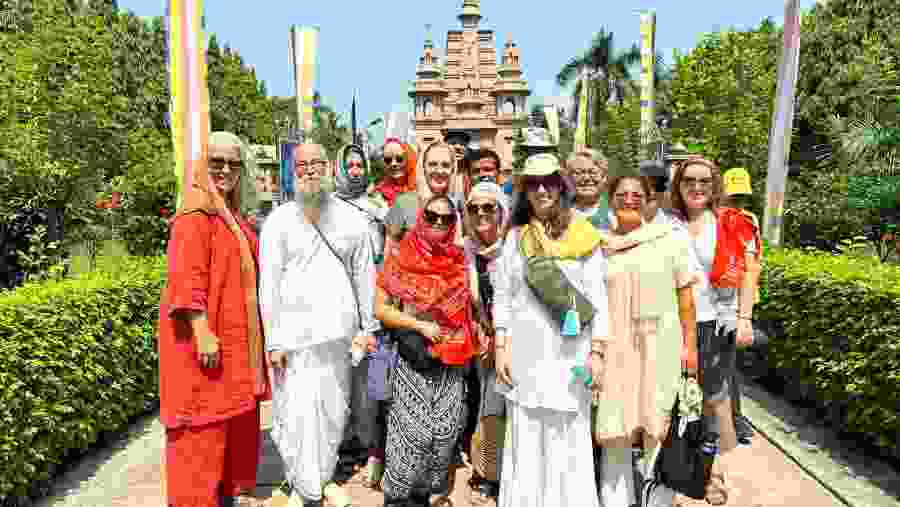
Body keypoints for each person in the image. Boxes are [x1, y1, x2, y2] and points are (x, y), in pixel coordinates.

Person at [259, 142, 379, 507]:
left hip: (337, 337)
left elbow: (365, 277)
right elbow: (269, 284)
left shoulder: (350, 219)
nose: (310, 170)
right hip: (292, 341)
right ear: (293, 171)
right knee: (292, 413)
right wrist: (273, 340)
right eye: (302, 164)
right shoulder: (279, 220)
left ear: (329, 168)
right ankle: (300, 483)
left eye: (317, 163)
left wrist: (367, 328)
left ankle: (322, 478)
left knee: (331, 412)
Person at [158, 131, 269, 507]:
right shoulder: (194, 214)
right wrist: (202, 331)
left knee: (221, 435)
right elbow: (187, 279)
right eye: (216, 162)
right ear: (202, 165)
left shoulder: (227, 214)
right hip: (204, 345)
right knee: (199, 435)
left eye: (233, 163)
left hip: (228, 348)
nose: (225, 169)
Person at [493, 153, 607, 507]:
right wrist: (501, 346)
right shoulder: (515, 238)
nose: (542, 190)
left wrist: (598, 354)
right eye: (534, 184)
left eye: (549, 182)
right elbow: (503, 295)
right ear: (525, 190)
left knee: (568, 437)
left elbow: (598, 298)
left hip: (570, 355)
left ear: (561, 186)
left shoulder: (584, 234)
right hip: (526, 353)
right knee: (526, 434)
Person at [593, 175, 700, 507]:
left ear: (649, 199)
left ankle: (658, 502)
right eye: (621, 194)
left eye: (637, 194)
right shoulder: (598, 246)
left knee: (658, 429)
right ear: (610, 199)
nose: (629, 199)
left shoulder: (671, 240)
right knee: (615, 433)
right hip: (616, 349)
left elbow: (686, 300)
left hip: (661, 347)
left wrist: (690, 348)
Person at [376, 195, 478, 507]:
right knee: (411, 437)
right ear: (422, 217)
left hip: (449, 361)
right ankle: (396, 498)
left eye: (446, 219)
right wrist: (419, 325)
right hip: (411, 356)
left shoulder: (460, 260)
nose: (438, 222)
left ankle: (424, 497)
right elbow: (380, 308)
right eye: (432, 216)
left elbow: (470, 304)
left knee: (445, 434)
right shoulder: (400, 255)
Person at [667, 155, 758, 506]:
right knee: (674, 402)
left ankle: (715, 473)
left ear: (715, 185)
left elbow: (750, 271)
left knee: (714, 400)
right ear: (679, 184)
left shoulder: (730, 222)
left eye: (705, 181)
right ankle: (673, 478)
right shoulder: (665, 221)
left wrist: (745, 318)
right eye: (689, 180)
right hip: (671, 323)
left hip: (714, 323)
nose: (697, 187)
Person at [332, 144, 391, 483]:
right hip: (342, 305)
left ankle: (374, 448)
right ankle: (344, 446)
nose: (355, 170)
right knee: (343, 379)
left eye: (359, 165)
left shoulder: (377, 207)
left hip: (377, 304)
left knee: (374, 379)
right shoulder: (328, 208)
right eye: (349, 165)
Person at [462, 182, 510, 505]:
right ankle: (492, 474)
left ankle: (511, 473)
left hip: (518, 339)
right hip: (483, 340)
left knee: (514, 409)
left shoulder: (517, 246)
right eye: (474, 208)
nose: (481, 214)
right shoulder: (465, 250)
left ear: (502, 211)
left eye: (488, 207)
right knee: (489, 407)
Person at [720, 167, 761, 445]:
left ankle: (734, 419)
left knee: (729, 365)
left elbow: (753, 266)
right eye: (732, 196)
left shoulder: (749, 221)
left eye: (741, 197)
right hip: (714, 299)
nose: (737, 202)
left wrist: (746, 313)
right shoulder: (710, 219)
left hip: (738, 301)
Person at [566, 149, 611, 230]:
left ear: (604, 177)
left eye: (593, 172)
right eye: (579, 172)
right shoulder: (558, 210)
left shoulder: (614, 212)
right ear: (569, 178)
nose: (586, 177)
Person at [372, 138, 417, 210]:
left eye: (399, 159)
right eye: (388, 160)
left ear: (408, 158)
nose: (393, 164)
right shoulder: (384, 184)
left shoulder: (418, 187)